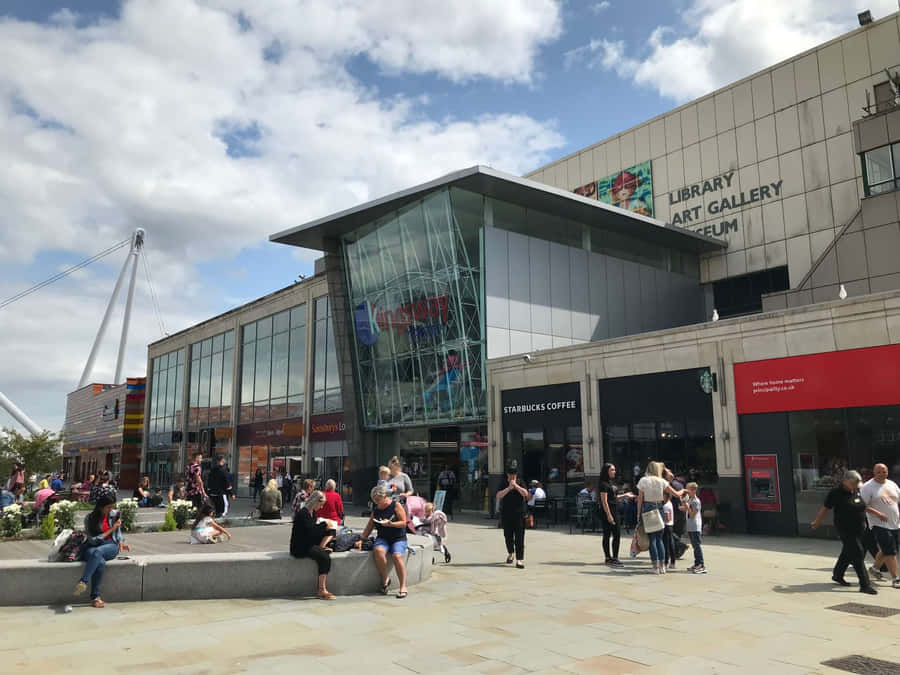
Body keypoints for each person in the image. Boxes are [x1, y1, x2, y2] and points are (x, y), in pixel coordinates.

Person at [811, 470, 877, 594]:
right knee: (858, 553)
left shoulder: (855, 491)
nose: (855, 487)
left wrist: (878, 514)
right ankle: (865, 585)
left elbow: (863, 506)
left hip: (860, 529)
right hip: (845, 529)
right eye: (853, 484)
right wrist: (817, 521)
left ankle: (837, 575)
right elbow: (825, 508)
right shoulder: (835, 493)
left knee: (847, 552)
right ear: (845, 481)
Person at [75, 495, 130, 608]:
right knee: (99, 561)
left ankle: (83, 581)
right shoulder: (89, 518)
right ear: (101, 507)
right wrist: (111, 529)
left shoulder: (115, 515)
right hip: (93, 546)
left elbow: (118, 532)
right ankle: (95, 598)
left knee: (97, 552)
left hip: (111, 546)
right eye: (108, 507)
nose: (111, 510)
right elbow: (92, 540)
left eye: (112, 507)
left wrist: (120, 541)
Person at [357, 484, 409, 598]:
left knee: (397, 556)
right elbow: (369, 527)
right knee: (378, 551)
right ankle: (385, 579)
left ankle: (403, 586)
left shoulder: (396, 505)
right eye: (374, 500)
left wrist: (391, 524)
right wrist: (361, 539)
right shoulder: (376, 510)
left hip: (398, 537)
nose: (376, 502)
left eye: (378, 499)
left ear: (385, 496)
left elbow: (404, 522)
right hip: (383, 537)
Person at [636, 461, 683, 574]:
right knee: (659, 538)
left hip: (648, 507)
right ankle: (662, 565)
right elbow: (676, 494)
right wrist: (683, 490)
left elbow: (640, 499)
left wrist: (638, 514)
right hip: (659, 507)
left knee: (652, 539)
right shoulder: (662, 481)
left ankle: (655, 566)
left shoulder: (643, 480)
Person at [290, 490, 336, 600]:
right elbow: (310, 531)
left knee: (331, 531)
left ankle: (321, 546)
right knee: (325, 558)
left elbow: (313, 530)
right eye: (320, 505)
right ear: (315, 502)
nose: (321, 507)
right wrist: (324, 525)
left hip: (308, 541)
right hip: (300, 546)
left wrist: (326, 527)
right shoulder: (303, 513)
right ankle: (321, 589)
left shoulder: (312, 513)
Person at [860, 463, 900, 589]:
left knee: (889, 548)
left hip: (895, 522)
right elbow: (862, 506)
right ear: (874, 472)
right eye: (879, 472)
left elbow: (896, 502)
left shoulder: (892, 484)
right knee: (890, 550)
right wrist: (878, 513)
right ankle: (896, 578)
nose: (882, 474)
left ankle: (875, 568)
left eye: (884, 471)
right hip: (878, 523)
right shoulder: (867, 487)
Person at [598, 464, 633, 566]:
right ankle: (609, 557)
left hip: (614, 509)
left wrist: (625, 495)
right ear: (607, 471)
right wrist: (609, 515)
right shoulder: (603, 484)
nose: (614, 472)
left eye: (614, 470)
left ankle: (614, 557)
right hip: (609, 511)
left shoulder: (610, 482)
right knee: (609, 534)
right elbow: (604, 501)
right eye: (612, 470)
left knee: (615, 534)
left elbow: (613, 497)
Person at [498, 461, 529, 569]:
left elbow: (526, 494)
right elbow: (498, 495)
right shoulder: (503, 483)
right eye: (510, 474)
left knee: (520, 537)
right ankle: (511, 553)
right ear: (507, 474)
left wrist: (516, 486)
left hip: (519, 514)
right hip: (506, 514)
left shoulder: (520, 482)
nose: (512, 476)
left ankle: (519, 560)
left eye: (514, 474)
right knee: (508, 535)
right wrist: (508, 488)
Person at [681, 482, 707, 574]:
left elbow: (692, 515)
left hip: (695, 526)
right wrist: (684, 506)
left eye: (688, 490)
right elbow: (687, 509)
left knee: (697, 545)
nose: (687, 491)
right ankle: (697, 563)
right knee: (694, 546)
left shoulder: (696, 501)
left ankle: (701, 564)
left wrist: (687, 508)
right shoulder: (690, 499)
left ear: (694, 490)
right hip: (690, 526)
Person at [662, 492, 677, 571]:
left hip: (666, 526)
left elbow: (667, 518)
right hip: (670, 525)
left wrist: (661, 517)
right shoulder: (670, 504)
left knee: (666, 545)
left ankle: (666, 561)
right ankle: (673, 562)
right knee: (671, 544)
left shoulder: (665, 506)